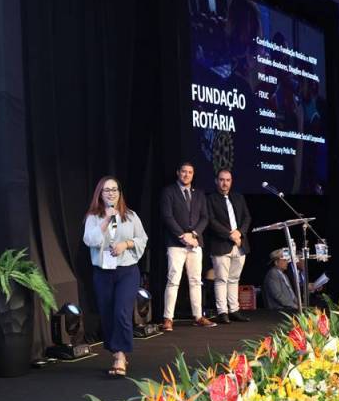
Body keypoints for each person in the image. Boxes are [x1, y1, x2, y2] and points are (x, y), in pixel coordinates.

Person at [83, 176, 148, 377]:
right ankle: (116, 351)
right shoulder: (93, 217)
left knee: (122, 312)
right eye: (107, 190)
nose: (111, 193)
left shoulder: (131, 215)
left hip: (127, 271)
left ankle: (120, 356)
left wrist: (125, 244)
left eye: (114, 189)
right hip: (103, 273)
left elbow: (142, 239)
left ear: (119, 193)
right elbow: (89, 240)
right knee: (108, 315)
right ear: (100, 194)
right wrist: (106, 220)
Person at [160, 162, 214, 330]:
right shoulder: (169, 191)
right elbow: (167, 216)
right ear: (178, 172)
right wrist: (183, 236)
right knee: (173, 280)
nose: (186, 175)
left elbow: (205, 217)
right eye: (184, 171)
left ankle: (198, 316)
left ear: (193, 174)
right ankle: (168, 318)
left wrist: (194, 234)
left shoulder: (199, 193)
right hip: (176, 243)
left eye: (190, 172)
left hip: (196, 242)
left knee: (196, 281)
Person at [206, 169, 252, 324]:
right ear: (216, 181)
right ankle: (222, 312)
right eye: (221, 180)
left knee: (234, 279)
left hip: (239, 244)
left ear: (231, 181)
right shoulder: (210, 199)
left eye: (227, 180)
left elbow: (247, 217)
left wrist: (240, 233)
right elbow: (211, 221)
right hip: (220, 244)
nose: (224, 183)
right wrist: (229, 234)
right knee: (221, 279)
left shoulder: (238, 197)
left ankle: (234, 310)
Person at [262, 248, 299, 314]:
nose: (287, 262)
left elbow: (291, 293)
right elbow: (278, 295)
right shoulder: (273, 274)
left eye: (287, 260)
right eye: (284, 260)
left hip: (289, 307)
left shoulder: (284, 275)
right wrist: (293, 305)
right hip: (279, 310)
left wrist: (298, 303)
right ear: (276, 262)